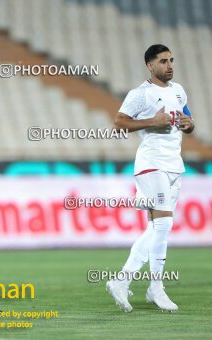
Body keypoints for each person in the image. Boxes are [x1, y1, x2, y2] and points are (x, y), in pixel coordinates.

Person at [107, 44, 195, 312]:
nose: (169, 65)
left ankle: (122, 281)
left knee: (157, 229)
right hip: (151, 165)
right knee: (164, 225)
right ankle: (156, 287)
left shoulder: (178, 90)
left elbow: (188, 120)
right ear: (150, 65)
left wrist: (190, 125)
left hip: (174, 166)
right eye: (163, 61)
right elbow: (120, 122)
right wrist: (151, 123)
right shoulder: (140, 94)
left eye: (171, 60)